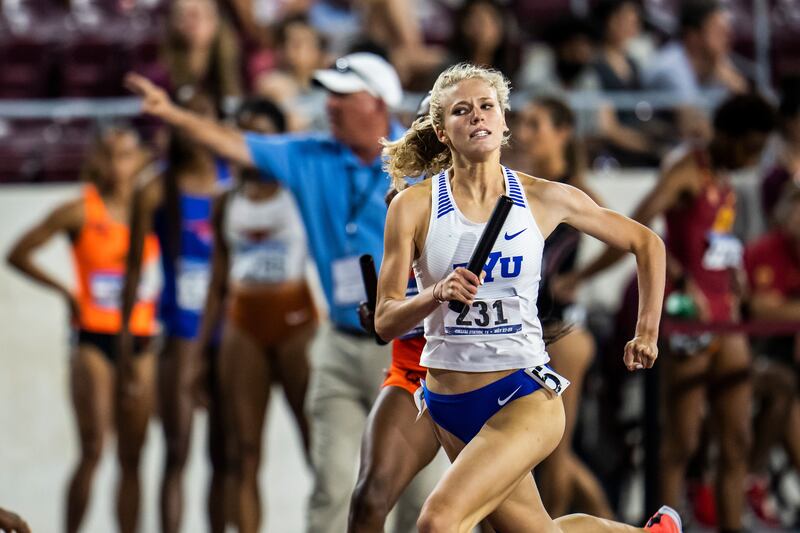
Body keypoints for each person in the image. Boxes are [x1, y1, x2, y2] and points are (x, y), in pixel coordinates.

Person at [125, 51, 441, 533]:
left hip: (415, 346)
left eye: (342, 96)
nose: (329, 105)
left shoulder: (427, 165)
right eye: (328, 96)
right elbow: (234, 143)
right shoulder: (310, 156)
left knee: (420, 497)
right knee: (333, 487)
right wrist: (171, 114)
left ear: (378, 102)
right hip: (339, 342)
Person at [375, 62, 674, 532]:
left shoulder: (543, 197)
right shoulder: (412, 207)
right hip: (447, 403)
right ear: (442, 130)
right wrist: (436, 292)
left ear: (503, 121)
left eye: (487, 106)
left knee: (437, 521)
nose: (477, 115)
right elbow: (385, 320)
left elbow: (647, 243)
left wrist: (647, 331)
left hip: (522, 392)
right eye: (462, 110)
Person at [558, 93, 776, 533]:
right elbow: (639, 229)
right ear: (727, 135)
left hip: (724, 317)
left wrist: (734, 271)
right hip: (687, 321)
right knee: (680, 442)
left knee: (737, 440)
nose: (752, 160)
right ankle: (662, 527)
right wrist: (677, 277)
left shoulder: (725, 177)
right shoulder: (687, 170)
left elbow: (714, 241)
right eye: (749, 148)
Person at [7, 125, 159, 533]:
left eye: (125, 155)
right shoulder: (81, 210)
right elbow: (17, 253)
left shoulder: (152, 211)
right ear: (96, 159)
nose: (117, 165)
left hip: (141, 338)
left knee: (133, 456)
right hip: (94, 336)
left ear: (140, 160)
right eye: (109, 155)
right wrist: (66, 293)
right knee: (93, 448)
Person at [194, 97, 317, 533]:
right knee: (242, 453)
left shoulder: (300, 190)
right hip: (242, 326)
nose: (250, 144)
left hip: (298, 326)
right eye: (243, 133)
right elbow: (217, 281)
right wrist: (199, 354)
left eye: (262, 135)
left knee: (317, 448)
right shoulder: (225, 199)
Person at [120, 93, 229, 533]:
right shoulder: (155, 188)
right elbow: (131, 272)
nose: (190, 125)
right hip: (181, 330)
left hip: (228, 329)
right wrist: (127, 342)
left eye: (199, 114)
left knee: (226, 456)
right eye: (182, 117)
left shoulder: (229, 180)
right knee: (177, 450)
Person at [514, 96, 615, 519]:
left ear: (562, 133)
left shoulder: (574, 190)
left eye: (535, 125)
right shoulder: (518, 183)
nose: (523, 134)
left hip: (561, 333)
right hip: (522, 330)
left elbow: (628, 238)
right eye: (522, 124)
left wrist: (580, 277)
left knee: (555, 450)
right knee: (526, 450)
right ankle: (614, 524)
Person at [743, 184, 800, 526]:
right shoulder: (763, 251)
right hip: (760, 357)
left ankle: (754, 479)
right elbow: (760, 310)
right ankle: (753, 478)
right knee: (784, 393)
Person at [643, 0, 748, 141]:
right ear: (693, 36)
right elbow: (694, 130)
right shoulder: (669, 68)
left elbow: (750, 117)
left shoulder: (718, 62)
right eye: (718, 30)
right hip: (662, 149)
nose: (728, 37)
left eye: (727, 30)